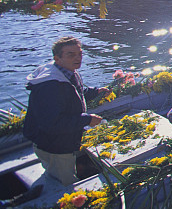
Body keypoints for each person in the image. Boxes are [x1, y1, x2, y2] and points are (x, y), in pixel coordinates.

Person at [22, 37, 110, 184]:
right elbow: (53, 124)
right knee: (65, 184)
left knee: (56, 174)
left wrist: (95, 92)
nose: (78, 58)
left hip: (59, 140)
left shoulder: (66, 71)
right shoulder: (50, 87)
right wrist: (87, 119)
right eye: (71, 54)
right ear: (57, 58)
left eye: (80, 54)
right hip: (54, 146)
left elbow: (75, 93)